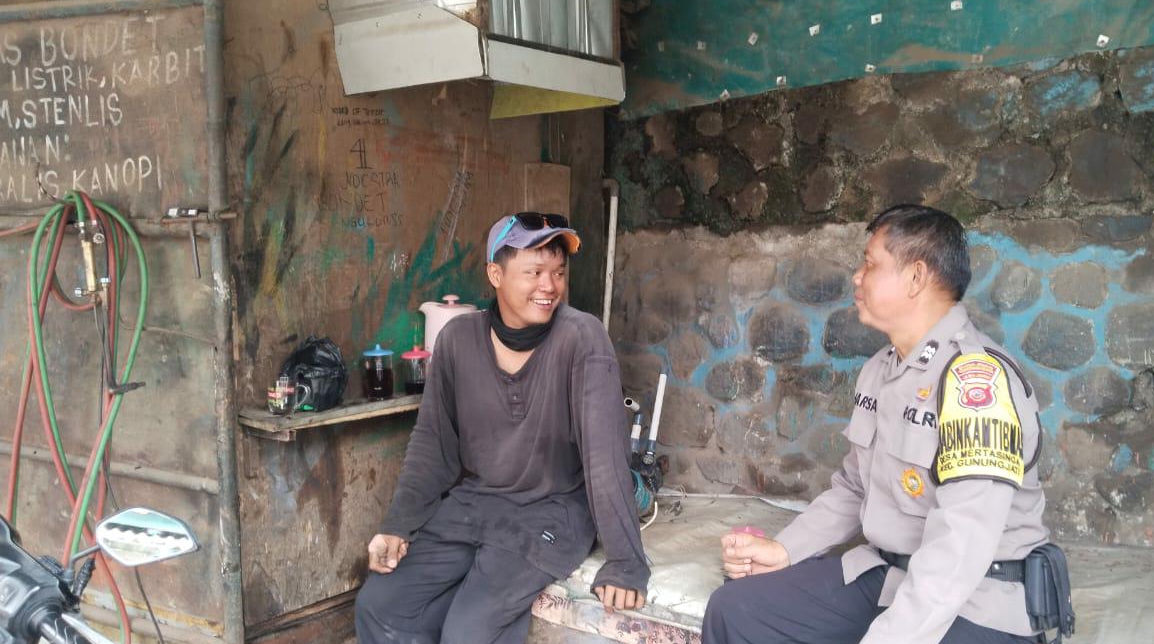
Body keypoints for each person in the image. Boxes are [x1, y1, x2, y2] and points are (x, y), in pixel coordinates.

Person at [703, 204, 1051, 644]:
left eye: (870, 264)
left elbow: (961, 548)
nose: (857, 277)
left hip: (977, 598)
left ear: (916, 277)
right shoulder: (880, 371)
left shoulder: (975, 382)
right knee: (736, 610)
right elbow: (855, 488)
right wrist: (785, 550)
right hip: (888, 575)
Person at [355, 212, 649, 644]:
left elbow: (605, 456)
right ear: (496, 274)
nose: (549, 286)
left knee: (468, 631)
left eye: (558, 273)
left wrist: (625, 561)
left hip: (552, 512)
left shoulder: (581, 338)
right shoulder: (457, 340)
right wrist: (398, 524)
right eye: (534, 272)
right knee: (381, 606)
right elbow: (433, 444)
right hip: (476, 506)